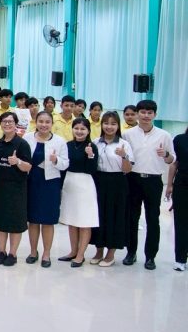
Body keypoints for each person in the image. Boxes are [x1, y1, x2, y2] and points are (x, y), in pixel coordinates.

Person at [122, 99, 176, 270]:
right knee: (132, 217)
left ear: (155, 114)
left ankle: (150, 257)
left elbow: (171, 159)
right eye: (143, 112)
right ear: (137, 114)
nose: (146, 115)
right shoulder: (127, 134)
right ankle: (131, 253)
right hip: (132, 178)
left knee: (153, 219)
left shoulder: (164, 135)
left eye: (149, 112)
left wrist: (165, 154)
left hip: (153, 180)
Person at [23, 111, 70, 267]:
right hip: (32, 182)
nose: (44, 125)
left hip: (50, 184)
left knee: (48, 221)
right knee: (33, 220)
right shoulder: (27, 138)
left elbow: (65, 164)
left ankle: (46, 254)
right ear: (36, 122)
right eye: (41, 121)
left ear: (52, 124)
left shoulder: (59, 141)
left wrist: (56, 160)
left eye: (47, 122)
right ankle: (33, 251)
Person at [89, 112, 133, 266]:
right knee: (99, 216)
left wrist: (124, 156)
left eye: (113, 124)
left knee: (115, 216)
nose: (109, 127)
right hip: (98, 181)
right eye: (106, 123)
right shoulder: (95, 142)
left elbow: (127, 170)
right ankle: (99, 250)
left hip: (117, 182)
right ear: (101, 125)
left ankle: (111, 254)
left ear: (118, 126)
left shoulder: (124, 144)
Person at [0, 112, 33, 266]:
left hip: (16, 189)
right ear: (0, 124)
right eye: (4, 122)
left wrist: (17, 161)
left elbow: (28, 167)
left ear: (16, 124)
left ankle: (13, 254)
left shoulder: (22, 144)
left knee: (15, 223)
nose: (7, 124)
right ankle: (2, 252)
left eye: (10, 122)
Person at [58, 117, 99, 267]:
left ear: (88, 131)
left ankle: (81, 255)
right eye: (76, 128)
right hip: (69, 183)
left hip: (85, 185)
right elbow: (63, 167)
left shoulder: (91, 146)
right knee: (72, 220)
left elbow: (92, 170)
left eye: (83, 129)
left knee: (84, 221)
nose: (79, 131)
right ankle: (73, 251)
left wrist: (90, 155)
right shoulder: (67, 145)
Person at [169, 125, 188, 271]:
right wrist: (169, 185)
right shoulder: (180, 140)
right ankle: (180, 259)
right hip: (182, 184)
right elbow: (174, 163)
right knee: (181, 222)